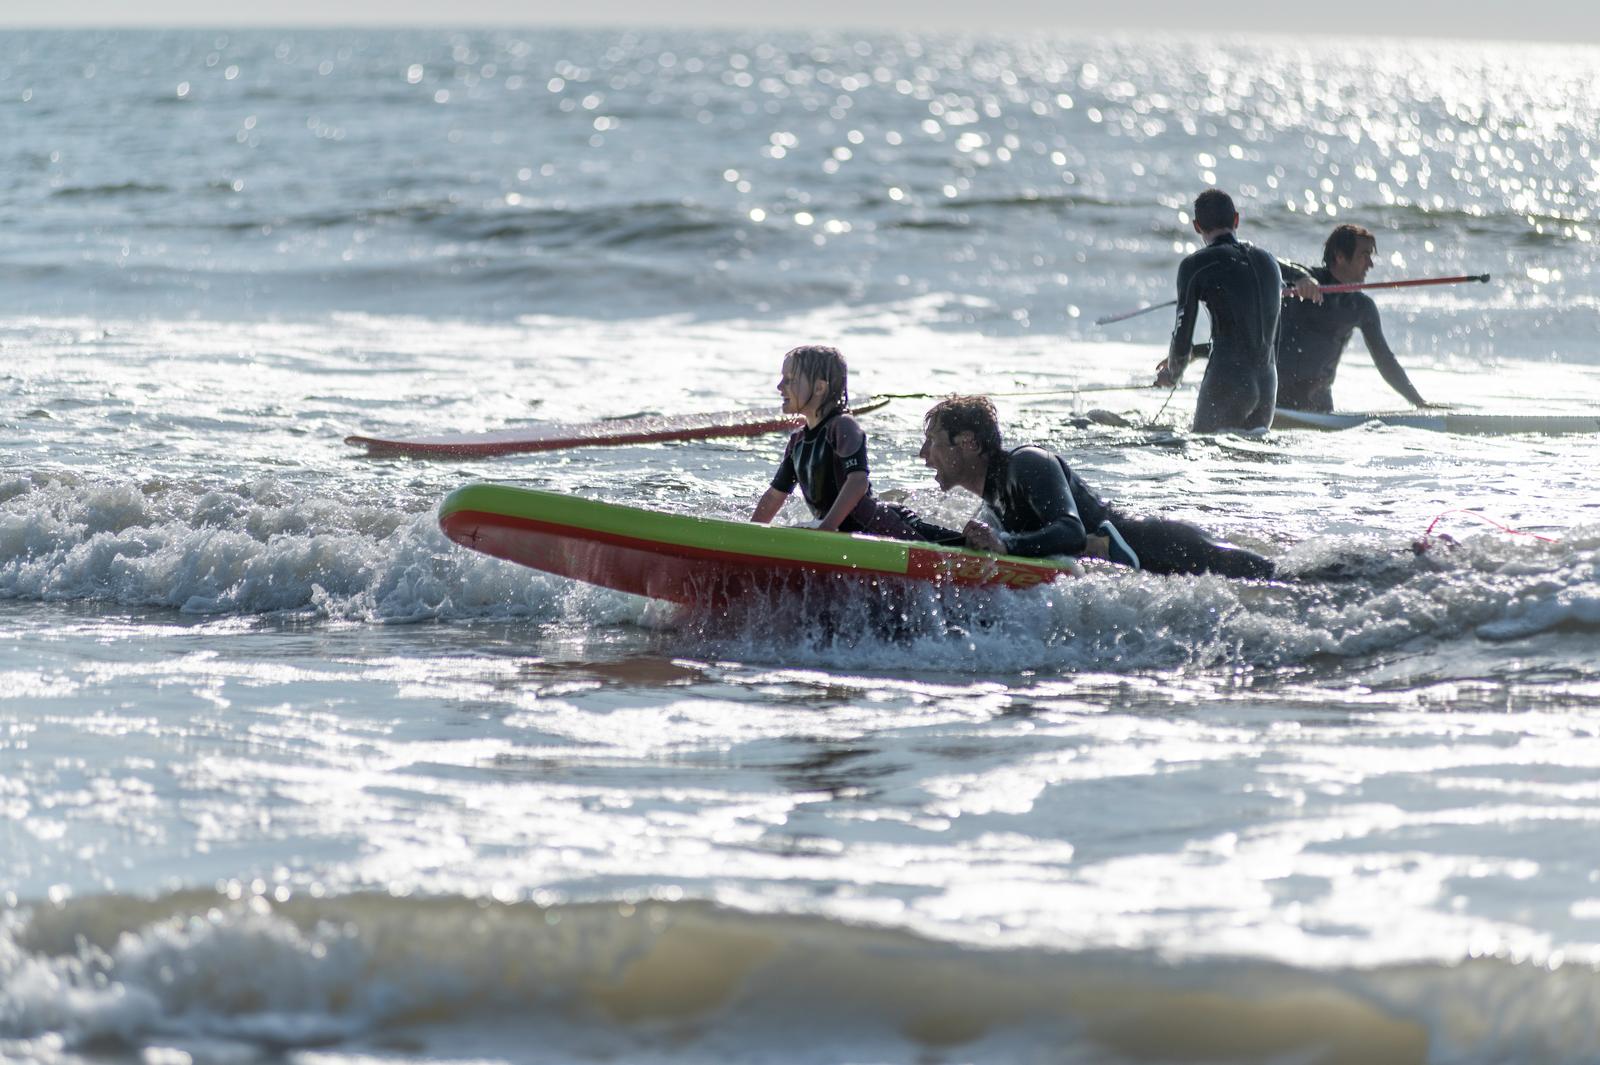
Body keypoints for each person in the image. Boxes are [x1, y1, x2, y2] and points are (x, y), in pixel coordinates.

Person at [918, 395, 1275, 579]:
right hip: (1150, 567)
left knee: (1291, 581)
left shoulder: (1027, 464)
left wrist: (1006, 544)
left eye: (932, 441)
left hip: (1165, 550)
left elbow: (1070, 532)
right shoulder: (991, 504)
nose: (923, 455)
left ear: (967, 442)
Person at [1154, 188, 1314, 433]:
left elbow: (1182, 337)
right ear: (1236, 219)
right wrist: (1305, 278)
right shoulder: (1269, 261)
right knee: (1250, 466)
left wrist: (1173, 373)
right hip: (1267, 387)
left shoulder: (1194, 266)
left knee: (1203, 456)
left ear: (1197, 226)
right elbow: (1297, 273)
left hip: (1227, 385)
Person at [750, 345, 948, 540]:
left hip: (885, 528)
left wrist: (826, 529)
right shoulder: (798, 441)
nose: (779, 386)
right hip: (840, 532)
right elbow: (775, 495)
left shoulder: (842, 426)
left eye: (790, 379)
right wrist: (750, 536)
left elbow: (858, 481)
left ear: (819, 387)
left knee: (958, 546)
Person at [1275, 224, 1430, 412]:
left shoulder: (1361, 307)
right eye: (1364, 255)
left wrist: (1419, 402)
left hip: (1318, 407)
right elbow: (1263, 261)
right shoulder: (1298, 285)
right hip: (1275, 400)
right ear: (1340, 257)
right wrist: (1301, 277)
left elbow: (1384, 360)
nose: (1370, 264)